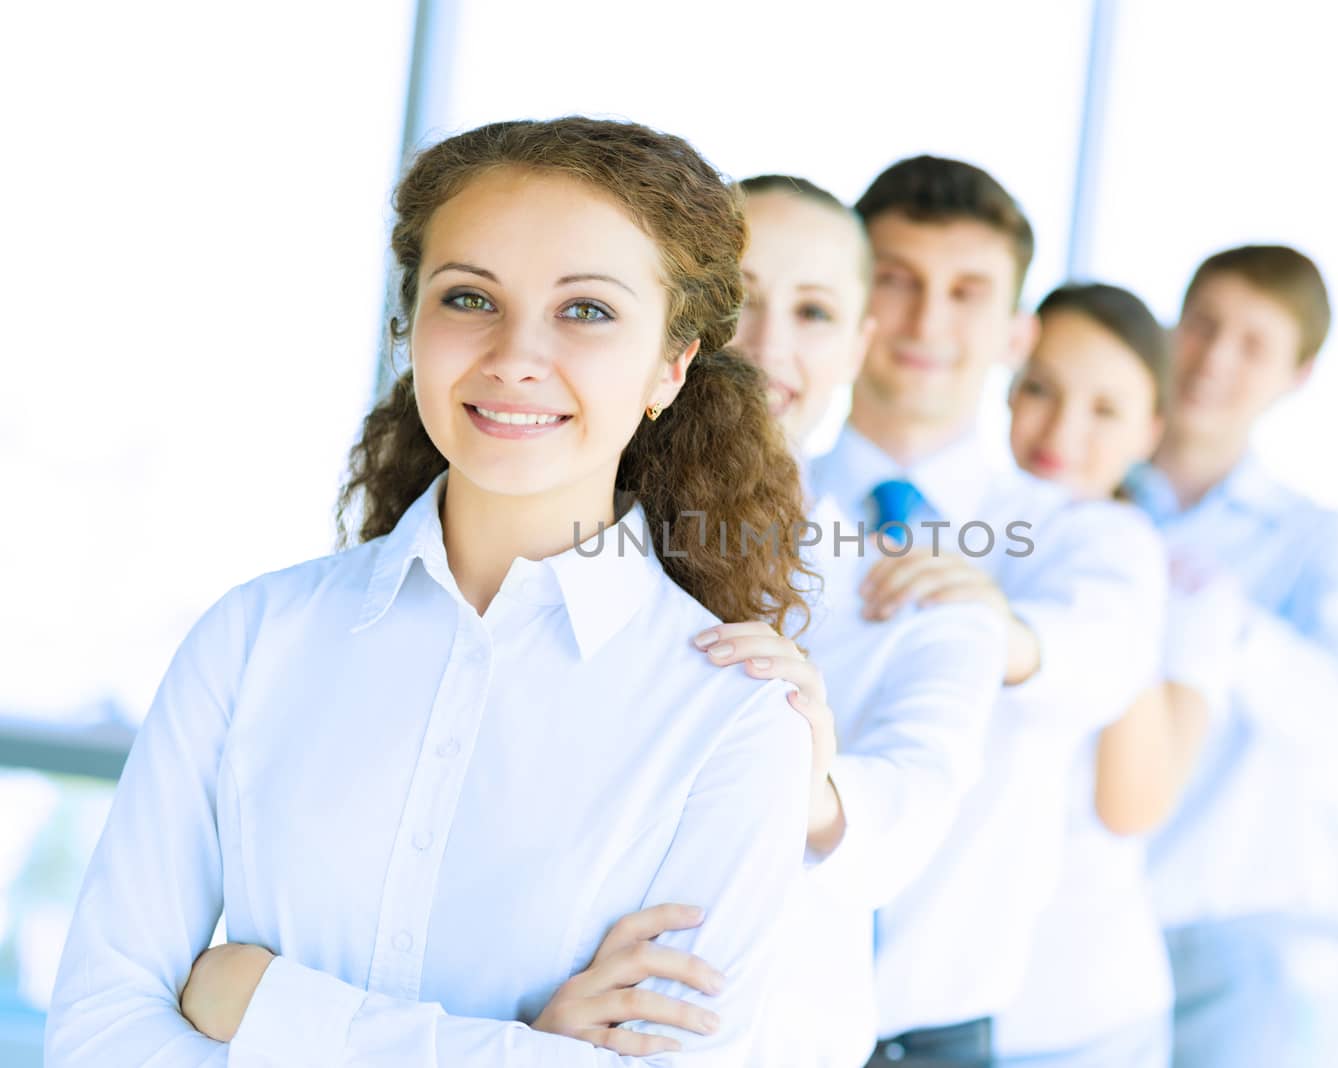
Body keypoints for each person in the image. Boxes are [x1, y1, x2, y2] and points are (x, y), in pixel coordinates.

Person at [44, 116, 816, 1066]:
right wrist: (520, 1050)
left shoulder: (731, 719)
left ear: (672, 362)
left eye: (587, 310)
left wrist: (272, 1011)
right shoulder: (253, 639)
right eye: (470, 298)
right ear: (411, 324)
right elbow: (94, 1034)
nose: (515, 356)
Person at [803, 156, 1167, 1066]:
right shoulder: (745, 510)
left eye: (966, 292)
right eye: (898, 281)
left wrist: (1000, 635)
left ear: (1015, 333)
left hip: (942, 1038)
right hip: (747, 1022)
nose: (928, 321)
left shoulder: (1083, 538)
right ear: (853, 304)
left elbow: (1104, 657)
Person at [693, 174, 1007, 1067]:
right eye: (739, 303)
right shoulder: (570, 538)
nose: (766, 347)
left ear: (861, 344)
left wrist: (813, 786)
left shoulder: (915, 587)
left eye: (816, 314)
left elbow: (914, 800)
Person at [1130, 246, 1338, 1067]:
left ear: (1299, 373)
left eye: (1252, 344)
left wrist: (1223, 619)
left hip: (1215, 942)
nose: (1212, 359)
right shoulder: (1080, 501)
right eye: (1202, 325)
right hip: (1060, 910)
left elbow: (1336, 718)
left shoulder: (1326, 547)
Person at [990, 282, 1235, 1067]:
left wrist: (1127, 593)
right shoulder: (941, 529)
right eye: (1039, 390)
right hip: (926, 1008)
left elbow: (1133, 805)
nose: (1062, 429)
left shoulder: (1185, 592)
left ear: (1150, 430)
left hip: (1075, 1016)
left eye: (1106, 410)